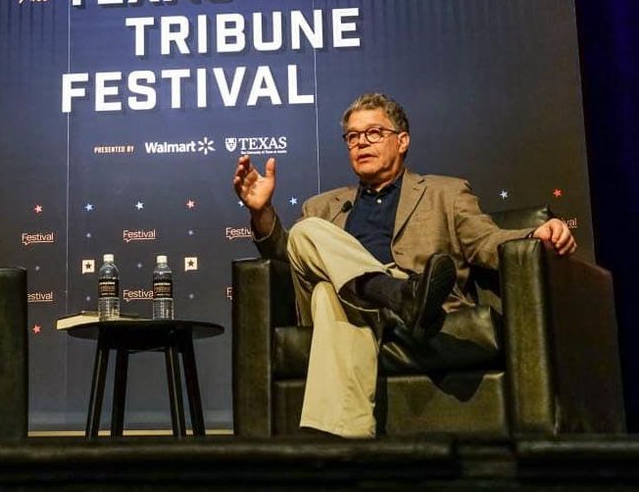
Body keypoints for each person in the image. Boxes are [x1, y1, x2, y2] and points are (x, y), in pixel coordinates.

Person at [231, 92, 576, 438]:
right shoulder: (322, 207)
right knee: (306, 235)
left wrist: (534, 234)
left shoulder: (446, 193)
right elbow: (287, 256)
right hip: (406, 300)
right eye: (353, 136)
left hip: (404, 301)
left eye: (374, 133)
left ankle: (341, 443)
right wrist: (261, 212)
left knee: (326, 293)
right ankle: (397, 294)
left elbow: (485, 241)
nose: (361, 143)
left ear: (402, 141)